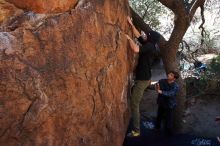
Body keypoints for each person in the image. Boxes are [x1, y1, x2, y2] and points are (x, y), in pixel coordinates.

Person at [125, 16, 160, 137]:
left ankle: (136, 130)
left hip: (143, 80)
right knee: (133, 97)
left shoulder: (149, 46)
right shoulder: (150, 44)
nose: (146, 35)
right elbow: (139, 36)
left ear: (151, 38)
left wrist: (129, 39)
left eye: (148, 35)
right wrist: (130, 23)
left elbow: (135, 49)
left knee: (135, 104)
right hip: (145, 78)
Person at [155, 71, 180, 136]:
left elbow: (171, 93)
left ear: (174, 79)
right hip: (161, 102)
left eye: (171, 75)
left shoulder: (176, 86)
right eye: (169, 74)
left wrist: (161, 92)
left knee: (169, 119)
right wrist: (156, 86)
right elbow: (156, 86)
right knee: (159, 116)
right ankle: (157, 128)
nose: (168, 75)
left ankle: (168, 132)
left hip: (169, 104)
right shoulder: (162, 81)